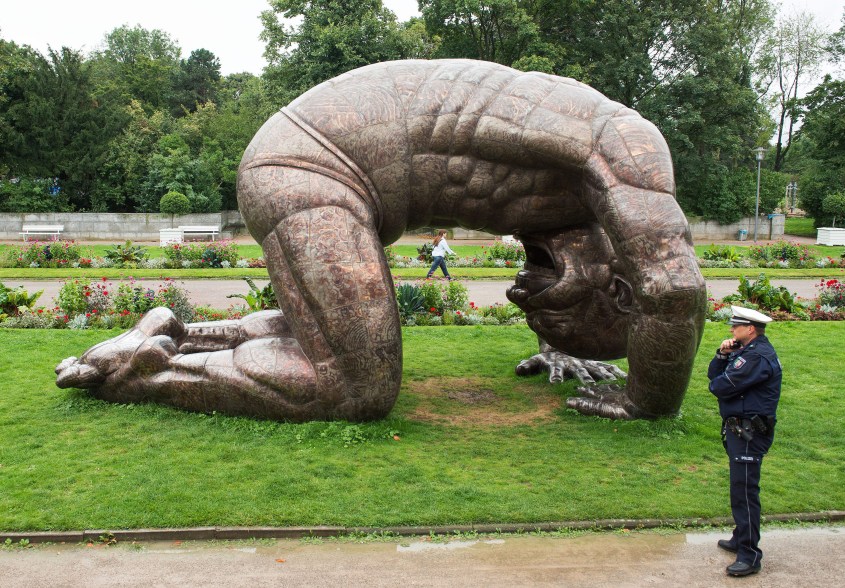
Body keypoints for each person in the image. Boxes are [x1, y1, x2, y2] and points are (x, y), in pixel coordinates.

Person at [707, 305, 782, 577]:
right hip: (740, 431)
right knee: (740, 489)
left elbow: (718, 386)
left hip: (750, 434)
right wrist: (722, 354)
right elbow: (714, 376)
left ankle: (750, 556)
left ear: (750, 329)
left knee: (745, 494)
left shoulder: (756, 358)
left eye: (736, 325)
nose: (731, 329)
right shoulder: (746, 352)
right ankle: (741, 537)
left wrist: (723, 372)